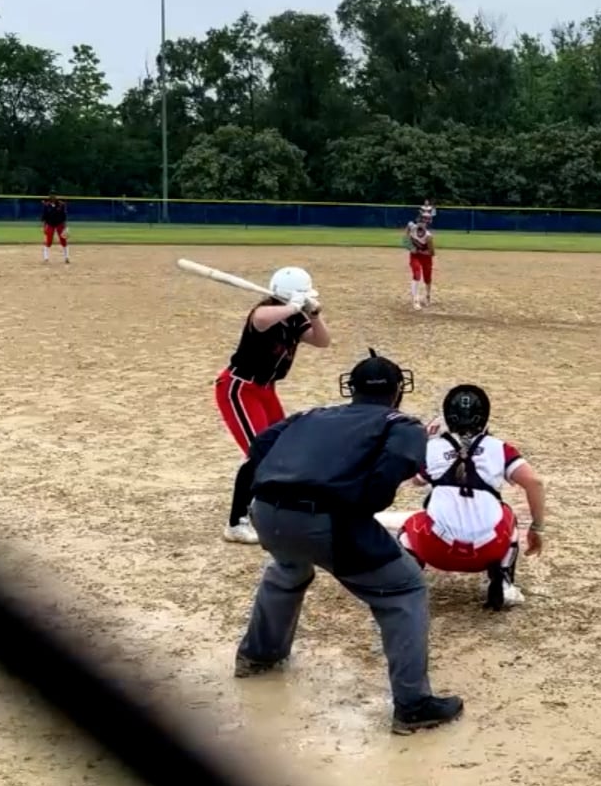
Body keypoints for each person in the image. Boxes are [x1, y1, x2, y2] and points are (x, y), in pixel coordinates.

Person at [231, 350, 465, 735]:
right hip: (328, 520)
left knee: (288, 568)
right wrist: (360, 505)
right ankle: (413, 705)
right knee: (405, 588)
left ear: (350, 389)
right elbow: (397, 465)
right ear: (397, 391)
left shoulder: (309, 415)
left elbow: (258, 450)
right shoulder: (401, 423)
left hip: (266, 513)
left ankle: (258, 656)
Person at [392, 384, 548, 611]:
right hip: (487, 551)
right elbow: (535, 483)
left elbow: (416, 480)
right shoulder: (499, 448)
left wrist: (427, 439)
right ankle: (504, 583)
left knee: (410, 526)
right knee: (507, 515)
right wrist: (537, 528)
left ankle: (405, 586)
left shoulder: (432, 448)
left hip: (437, 550)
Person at [217, 266, 332, 544]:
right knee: (260, 453)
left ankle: (264, 507)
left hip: (266, 390)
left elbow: (323, 341)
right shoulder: (264, 312)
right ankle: (236, 523)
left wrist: (314, 315)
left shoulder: (295, 318)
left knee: (281, 448)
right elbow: (260, 319)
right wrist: (292, 306)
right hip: (240, 388)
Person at [404, 210, 435, 310]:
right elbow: (405, 240)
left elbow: (432, 253)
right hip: (415, 256)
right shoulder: (411, 227)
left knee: (427, 278)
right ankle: (416, 300)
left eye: (425, 221)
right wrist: (410, 247)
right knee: (417, 274)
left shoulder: (428, 237)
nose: (422, 223)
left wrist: (420, 251)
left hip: (426, 258)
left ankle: (427, 296)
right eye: (421, 220)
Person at [40, 194, 70, 264]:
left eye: (54, 196)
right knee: (49, 241)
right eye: (51, 197)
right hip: (50, 224)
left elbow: (64, 216)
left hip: (59, 224)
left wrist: (65, 226)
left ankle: (67, 257)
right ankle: (46, 258)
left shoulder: (61, 204)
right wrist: (44, 226)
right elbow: (44, 217)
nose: (53, 198)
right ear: (49, 198)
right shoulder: (47, 205)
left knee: (63, 240)